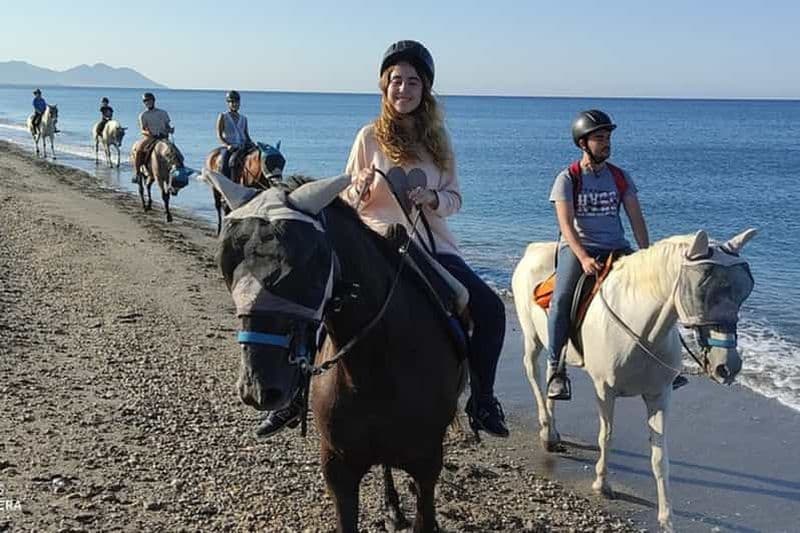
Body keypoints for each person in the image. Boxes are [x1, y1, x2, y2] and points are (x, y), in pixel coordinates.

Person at [254, 40, 509, 440]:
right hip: (374, 242)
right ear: (384, 87)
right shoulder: (368, 137)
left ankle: (483, 400)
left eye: (412, 82)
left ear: (424, 89)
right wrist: (360, 187)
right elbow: (345, 201)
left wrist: (433, 198)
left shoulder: (439, 141)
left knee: (491, 310)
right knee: (318, 307)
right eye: (395, 81)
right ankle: (293, 397)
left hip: (432, 247)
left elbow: (455, 198)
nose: (403, 89)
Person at [546, 110, 687, 400]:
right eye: (599, 138)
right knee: (560, 301)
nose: (606, 143)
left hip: (616, 247)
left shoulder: (620, 178)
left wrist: (648, 256)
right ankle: (556, 369)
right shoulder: (567, 179)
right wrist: (583, 257)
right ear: (583, 143)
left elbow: (636, 218)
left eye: (608, 137)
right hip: (578, 248)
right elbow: (565, 225)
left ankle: (668, 366)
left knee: (657, 297)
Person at [133, 92, 190, 182]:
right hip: (150, 138)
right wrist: (149, 133)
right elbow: (142, 129)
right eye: (145, 101)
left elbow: (167, 125)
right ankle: (137, 173)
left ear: (153, 101)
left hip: (163, 137)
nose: (147, 103)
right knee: (139, 149)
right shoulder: (143, 115)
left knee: (177, 153)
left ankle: (181, 170)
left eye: (149, 100)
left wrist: (170, 129)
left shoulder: (163, 113)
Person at [215, 90, 254, 177]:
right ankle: (224, 181)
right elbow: (219, 135)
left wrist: (252, 144)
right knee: (225, 162)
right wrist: (227, 145)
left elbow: (246, 135)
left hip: (242, 146)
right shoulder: (223, 116)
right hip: (229, 147)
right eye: (232, 102)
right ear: (228, 103)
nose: (234, 104)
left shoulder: (244, 118)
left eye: (236, 102)